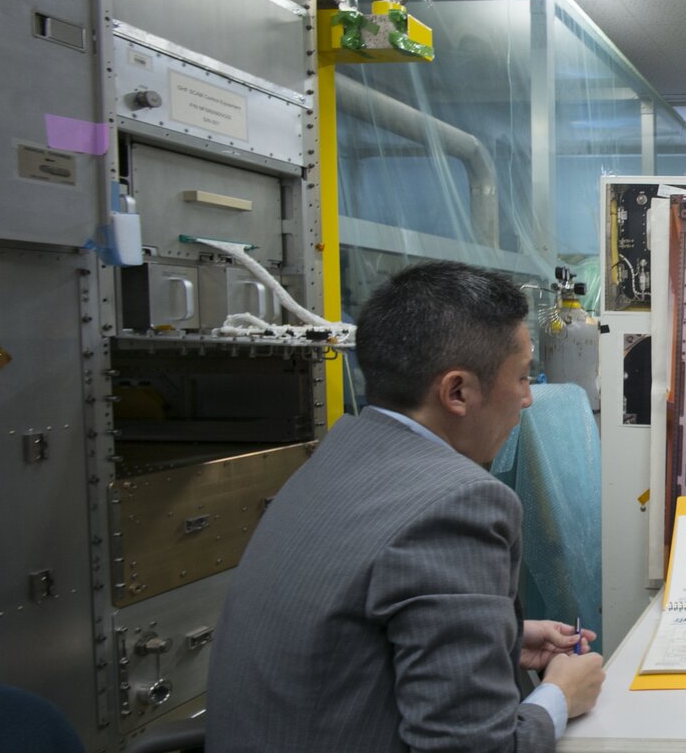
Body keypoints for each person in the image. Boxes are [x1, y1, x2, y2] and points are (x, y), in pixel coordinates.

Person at [209, 261, 606, 753]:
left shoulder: (338, 455)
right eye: (522, 378)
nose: (527, 399)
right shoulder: (459, 503)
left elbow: (359, 628)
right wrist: (561, 696)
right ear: (457, 391)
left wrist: (498, 635)